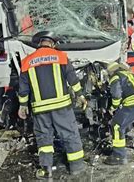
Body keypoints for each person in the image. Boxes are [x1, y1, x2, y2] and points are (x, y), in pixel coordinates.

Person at [18, 31, 87, 179]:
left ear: (39, 44)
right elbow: (72, 78)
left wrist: (22, 106)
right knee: (69, 134)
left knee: (44, 138)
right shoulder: (60, 56)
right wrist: (80, 95)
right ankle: (76, 167)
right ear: (52, 44)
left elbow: (23, 89)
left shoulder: (26, 61)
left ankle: (46, 170)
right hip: (62, 106)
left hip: (40, 109)